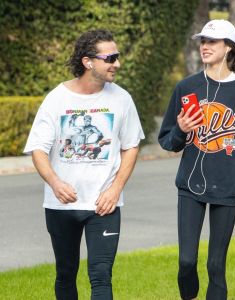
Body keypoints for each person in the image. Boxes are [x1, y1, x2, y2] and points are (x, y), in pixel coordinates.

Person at [24, 29, 144, 300]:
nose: (117, 64)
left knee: (101, 276)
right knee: (66, 273)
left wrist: (115, 189)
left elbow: (131, 146)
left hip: (104, 205)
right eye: (110, 57)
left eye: (118, 56)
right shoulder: (57, 99)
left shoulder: (122, 99)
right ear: (88, 62)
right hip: (62, 205)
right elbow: (38, 150)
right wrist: (55, 183)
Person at [158, 19, 235, 300]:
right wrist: (181, 131)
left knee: (216, 265)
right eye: (202, 41)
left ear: (229, 47)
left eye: (212, 42)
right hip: (190, 187)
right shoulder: (187, 87)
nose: (204, 46)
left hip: (229, 187)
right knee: (186, 262)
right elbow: (167, 141)